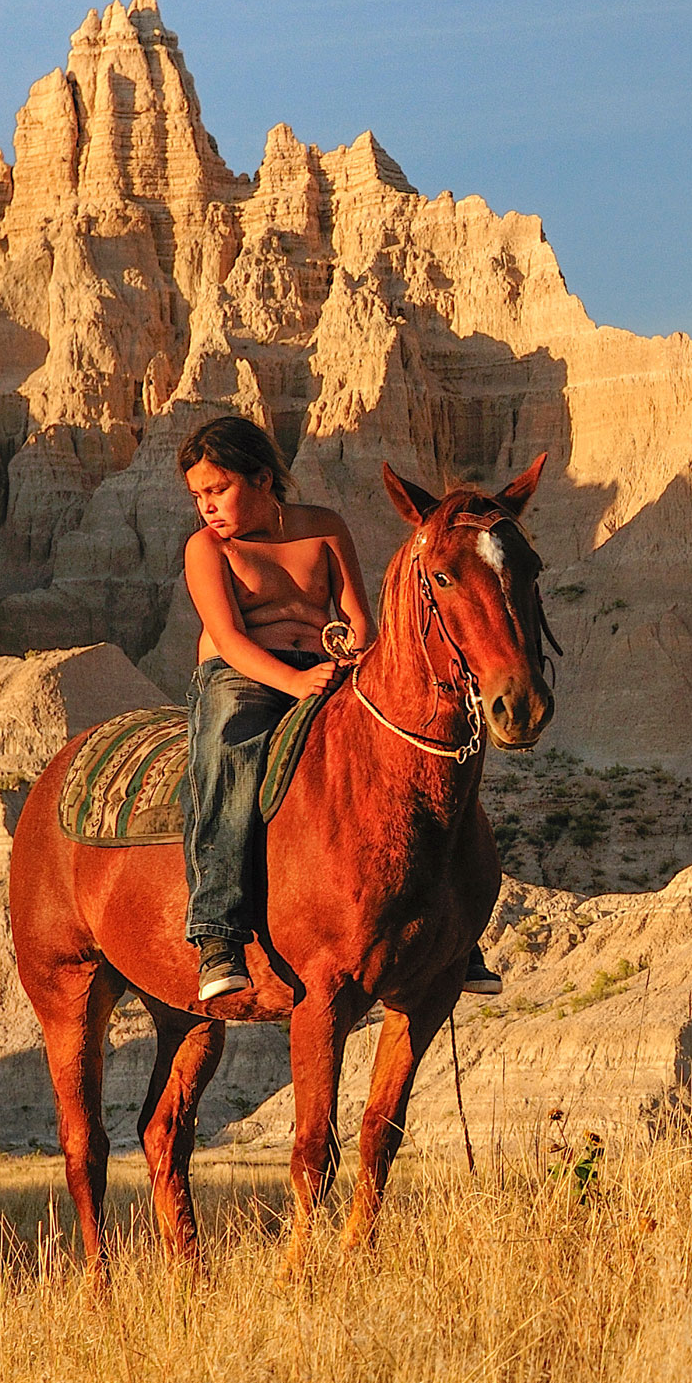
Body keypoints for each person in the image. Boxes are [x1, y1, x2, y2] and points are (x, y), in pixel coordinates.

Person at [176, 416, 502, 1001]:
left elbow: (355, 612)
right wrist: (294, 683)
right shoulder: (207, 549)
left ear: (261, 479)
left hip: (331, 668)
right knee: (226, 760)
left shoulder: (323, 528)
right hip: (243, 678)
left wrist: (353, 658)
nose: (207, 506)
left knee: (414, 764)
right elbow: (227, 638)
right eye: (198, 495)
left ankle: (457, 932)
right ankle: (217, 931)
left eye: (217, 490)